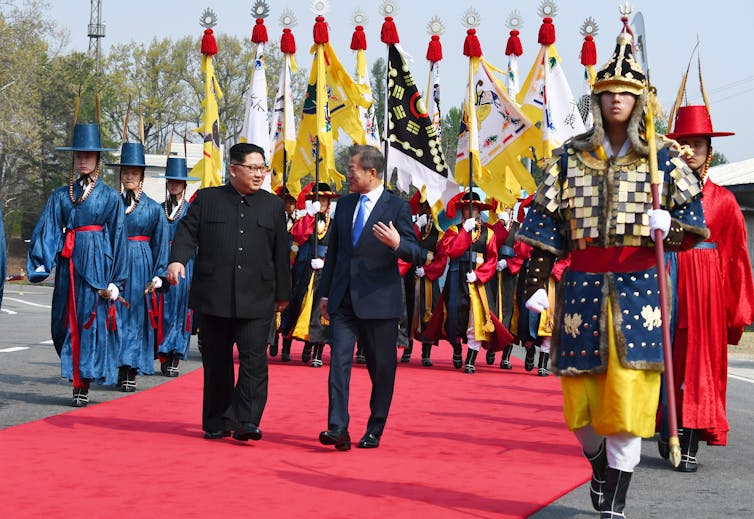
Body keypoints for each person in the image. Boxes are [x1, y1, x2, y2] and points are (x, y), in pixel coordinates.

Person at [517, 23, 709, 518]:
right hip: (580, 289)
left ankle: (615, 506)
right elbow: (543, 226)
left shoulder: (665, 160)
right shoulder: (569, 160)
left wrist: (674, 224)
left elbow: (694, 225)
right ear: (597, 100)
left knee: (627, 406)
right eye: (609, 93)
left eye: (626, 92)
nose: (617, 100)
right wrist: (535, 286)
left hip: (639, 291)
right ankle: (597, 464)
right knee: (579, 409)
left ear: (639, 100)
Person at [166, 142, 290, 442]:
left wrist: (284, 294)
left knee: (254, 361)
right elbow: (186, 232)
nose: (259, 174)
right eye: (253, 168)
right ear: (233, 169)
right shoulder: (208, 199)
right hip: (214, 295)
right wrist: (176, 260)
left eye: (263, 168)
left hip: (258, 296)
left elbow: (281, 254)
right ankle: (217, 421)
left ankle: (247, 420)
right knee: (217, 362)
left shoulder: (273, 206)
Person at [659, 93, 754, 471]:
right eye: (683, 144)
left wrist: (737, 309)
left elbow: (736, 259)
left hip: (705, 291)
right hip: (668, 280)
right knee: (669, 359)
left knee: (699, 362)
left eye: (697, 144)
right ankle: (668, 428)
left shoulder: (725, 201)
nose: (690, 151)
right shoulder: (660, 194)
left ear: (709, 150)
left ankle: (692, 438)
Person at [317, 144, 420, 450]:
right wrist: (324, 294)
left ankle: (375, 427)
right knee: (338, 364)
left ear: (371, 173)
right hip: (343, 301)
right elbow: (334, 252)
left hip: (379, 303)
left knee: (381, 370)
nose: (347, 174)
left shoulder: (396, 207)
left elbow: (419, 254)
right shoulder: (345, 205)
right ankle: (338, 428)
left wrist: (398, 243)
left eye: (352, 169)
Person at [27, 122, 127, 407]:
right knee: (63, 322)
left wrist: (116, 281)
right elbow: (47, 230)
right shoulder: (60, 195)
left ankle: (81, 383)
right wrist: (39, 264)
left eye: (89, 154)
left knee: (88, 323)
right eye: (79, 155)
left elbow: (119, 238)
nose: (83, 159)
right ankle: (77, 372)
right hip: (68, 266)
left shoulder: (109, 197)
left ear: (97, 158)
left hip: (97, 264)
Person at [424, 191, 512, 374]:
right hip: (457, 276)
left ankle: (471, 359)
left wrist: (480, 275)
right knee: (454, 315)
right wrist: (465, 231)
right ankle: (456, 347)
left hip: (478, 280)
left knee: (477, 318)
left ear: (479, 210)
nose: (470, 212)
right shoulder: (453, 230)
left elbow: (492, 258)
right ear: (462, 211)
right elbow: (453, 251)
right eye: (467, 208)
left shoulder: (488, 233)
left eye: (474, 208)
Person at [111, 142, 170, 391]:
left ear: (142, 176)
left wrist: (158, 274)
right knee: (114, 316)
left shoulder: (154, 209)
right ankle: (116, 364)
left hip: (141, 263)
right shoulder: (111, 204)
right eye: (125, 172)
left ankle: (130, 369)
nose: (129, 177)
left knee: (135, 316)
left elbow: (161, 245)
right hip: (115, 263)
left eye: (134, 173)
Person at [155, 156, 200, 377]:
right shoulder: (158, 210)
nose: (174, 185)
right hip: (162, 263)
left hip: (185, 266)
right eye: (171, 181)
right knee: (161, 309)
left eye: (178, 182)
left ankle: (174, 354)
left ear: (184, 185)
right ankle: (162, 352)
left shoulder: (192, 211)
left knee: (181, 312)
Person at [288, 182, 339, 367]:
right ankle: (306, 344)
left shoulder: (335, 225)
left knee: (321, 312)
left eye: (325, 199)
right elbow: (297, 236)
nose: (322, 202)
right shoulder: (307, 220)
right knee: (303, 308)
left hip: (325, 273)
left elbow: (339, 250)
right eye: (319, 198)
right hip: (306, 270)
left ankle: (318, 350)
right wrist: (309, 214)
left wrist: (325, 262)